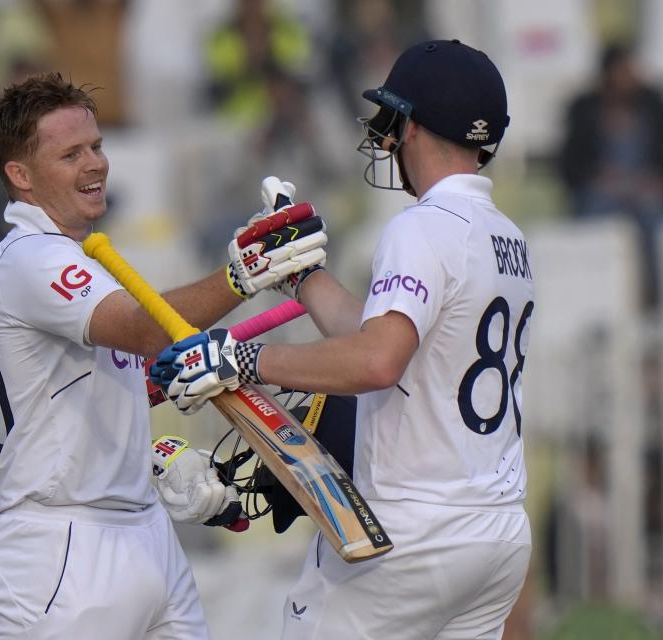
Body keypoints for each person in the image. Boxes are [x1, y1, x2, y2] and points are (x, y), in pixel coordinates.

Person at [152, 40, 534, 639]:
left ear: (413, 127)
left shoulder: (420, 226)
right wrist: (303, 278)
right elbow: (383, 338)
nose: (385, 136)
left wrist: (239, 359)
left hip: (413, 531)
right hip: (496, 535)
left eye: (392, 119)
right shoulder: (506, 236)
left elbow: (377, 361)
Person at [0, 72, 326, 639]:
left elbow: (101, 386)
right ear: (21, 176)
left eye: (96, 146)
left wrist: (156, 454)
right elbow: (144, 331)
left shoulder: (78, 254)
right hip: (61, 552)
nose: (95, 165)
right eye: (70, 154)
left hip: (143, 534)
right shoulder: (29, 258)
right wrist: (245, 273)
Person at [558, 43, 663, 311]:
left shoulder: (654, 104)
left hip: (645, 187)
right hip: (602, 189)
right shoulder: (584, 108)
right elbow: (570, 162)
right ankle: (595, 295)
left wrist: (656, 177)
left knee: (656, 220)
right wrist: (597, 175)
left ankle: (656, 299)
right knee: (592, 219)